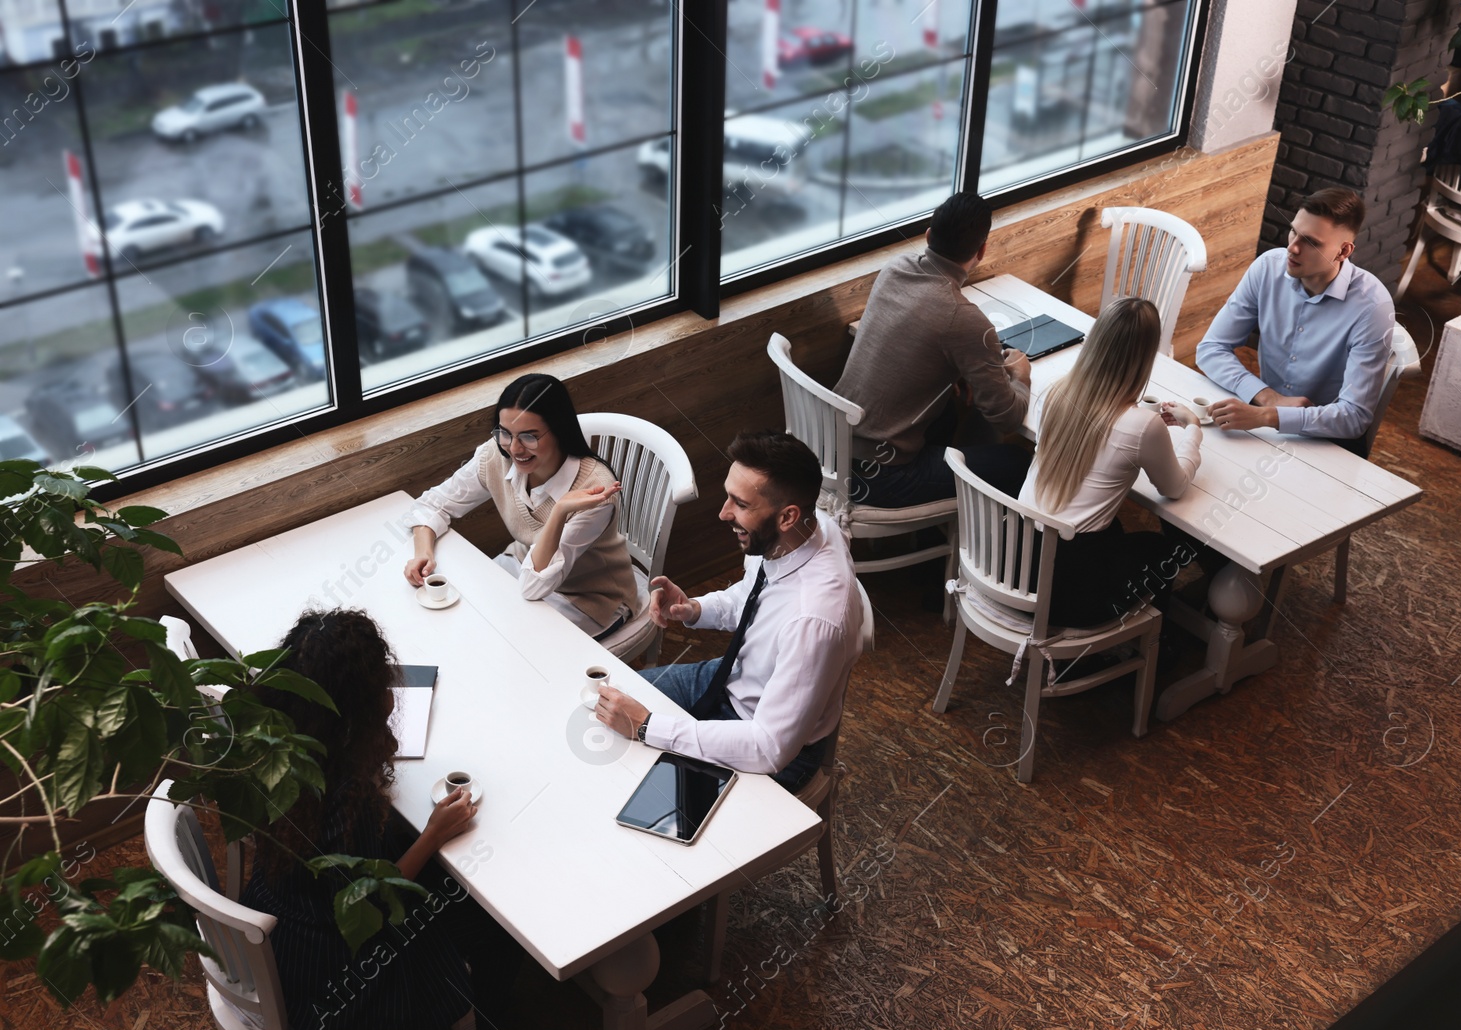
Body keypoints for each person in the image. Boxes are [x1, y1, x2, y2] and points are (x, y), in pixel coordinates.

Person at [240, 609, 523, 1030]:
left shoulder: (285, 751)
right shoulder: (348, 800)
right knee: (493, 926)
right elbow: (369, 901)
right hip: (341, 992)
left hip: (289, 942)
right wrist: (432, 834)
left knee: (436, 873)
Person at [593, 431, 864, 793]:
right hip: (728, 678)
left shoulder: (814, 620)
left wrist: (646, 726)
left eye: (740, 504)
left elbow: (769, 748)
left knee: (632, 788)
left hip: (767, 745)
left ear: (787, 516)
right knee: (599, 711)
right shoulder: (803, 533)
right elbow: (751, 595)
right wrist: (694, 609)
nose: (723, 513)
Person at [834, 191, 1033, 505]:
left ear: (928, 235)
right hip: (881, 477)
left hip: (835, 450)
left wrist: (954, 372)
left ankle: (930, 538)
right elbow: (1007, 418)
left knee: (949, 412)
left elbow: (916, 342)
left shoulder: (894, 269)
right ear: (982, 250)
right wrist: (1021, 375)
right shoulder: (964, 320)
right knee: (1018, 463)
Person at [402, 373, 637, 637]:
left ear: (559, 429)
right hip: (521, 562)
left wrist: (559, 511)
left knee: (503, 642)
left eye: (529, 436)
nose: (514, 449)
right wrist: (423, 552)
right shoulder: (497, 453)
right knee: (455, 618)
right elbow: (432, 504)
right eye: (505, 433)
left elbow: (533, 586)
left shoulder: (595, 492)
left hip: (591, 600)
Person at [1018, 297, 1202, 628]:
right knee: (1167, 549)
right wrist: (1193, 430)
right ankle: (1156, 641)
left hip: (1019, 566)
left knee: (1116, 532)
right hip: (1072, 595)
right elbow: (1174, 488)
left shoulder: (1057, 393)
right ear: (1146, 358)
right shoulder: (1143, 425)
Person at [1197, 187, 1396, 457]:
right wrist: (1268, 398)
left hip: (1327, 443)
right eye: (1293, 231)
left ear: (1343, 251)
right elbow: (1211, 348)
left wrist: (1269, 416)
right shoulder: (1267, 268)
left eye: (1311, 242)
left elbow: (1354, 417)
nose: (1292, 247)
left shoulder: (1373, 308)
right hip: (1261, 420)